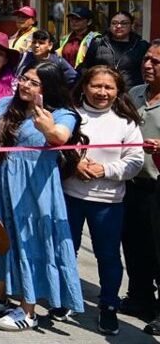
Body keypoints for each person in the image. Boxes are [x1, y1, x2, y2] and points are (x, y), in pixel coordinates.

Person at [0, 62, 86, 331]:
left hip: (34, 190)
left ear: (49, 87)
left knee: (29, 242)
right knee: (1, 238)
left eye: (34, 83)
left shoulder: (63, 113)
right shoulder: (4, 105)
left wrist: (47, 127)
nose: (25, 85)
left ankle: (28, 309)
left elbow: (60, 137)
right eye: (24, 79)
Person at [63, 66, 144, 335]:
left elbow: (135, 161)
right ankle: (65, 298)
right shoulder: (71, 115)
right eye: (96, 86)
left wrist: (105, 170)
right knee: (65, 251)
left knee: (108, 256)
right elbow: (57, 147)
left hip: (108, 201)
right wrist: (75, 164)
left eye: (109, 87)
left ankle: (108, 306)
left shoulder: (126, 121)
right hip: (71, 196)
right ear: (84, 86)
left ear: (118, 91)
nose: (102, 92)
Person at [130, 41, 160, 333]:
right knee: (135, 245)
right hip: (132, 183)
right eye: (146, 59)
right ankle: (139, 297)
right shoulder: (135, 94)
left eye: (156, 62)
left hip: (157, 185)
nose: (147, 65)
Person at [80, 11, 149, 89]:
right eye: (114, 23)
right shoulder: (98, 43)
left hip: (131, 92)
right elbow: (86, 67)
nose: (118, 26)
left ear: (131, 25)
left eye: (124, 23)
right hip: (103, 90)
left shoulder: (142, 46)